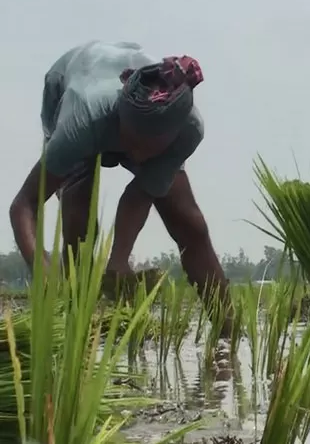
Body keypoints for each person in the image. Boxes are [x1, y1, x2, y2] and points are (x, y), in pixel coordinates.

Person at [9, 40, 233, 336]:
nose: (136, 156)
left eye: (147, 148)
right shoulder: (82, 121)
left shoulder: (187, 130)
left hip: (129, 103)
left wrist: (118, 259)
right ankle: (74, 333)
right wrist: (42, 267)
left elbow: (139, 194)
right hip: (70, 87)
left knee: (189, 224)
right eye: (131, 141)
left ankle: (228, 335)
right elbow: (23, 204)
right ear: (120, 119)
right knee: (79, 225)